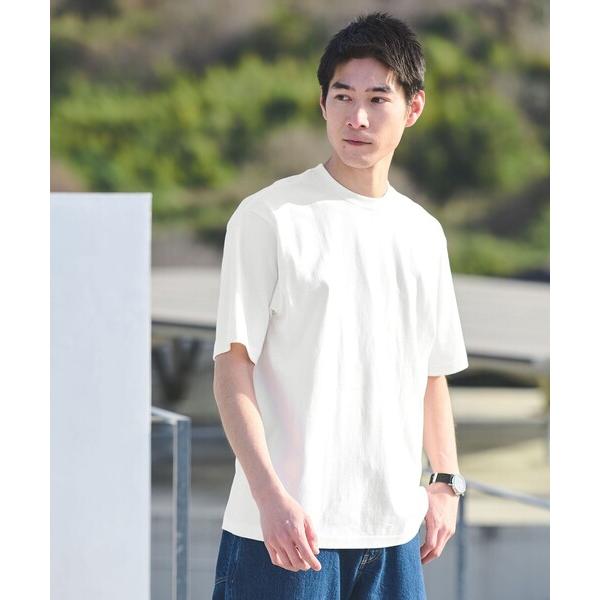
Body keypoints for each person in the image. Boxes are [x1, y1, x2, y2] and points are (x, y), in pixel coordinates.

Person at [210, 11, 469, 600]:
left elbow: (431, 370)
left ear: (414, 108)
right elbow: (231, 368)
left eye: (378, 99)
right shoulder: (269, 217)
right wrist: (268, 497)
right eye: (343, 96)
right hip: (285, 533)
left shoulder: (423, 233)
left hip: (394, 536)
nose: (357, 118)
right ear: (322, 103)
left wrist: (445, 480)